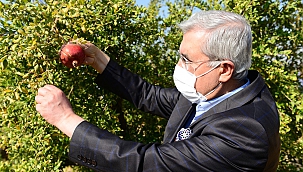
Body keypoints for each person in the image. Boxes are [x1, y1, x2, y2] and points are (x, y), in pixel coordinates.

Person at [35, 10, 280, 171]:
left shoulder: (245, 132)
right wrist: (99, 60)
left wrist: (66, 119)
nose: (179, 67)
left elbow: (146, 163)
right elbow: (148, 96)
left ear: (224, 69)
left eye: (187, 60)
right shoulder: (215, 93)